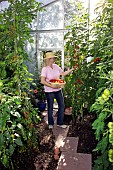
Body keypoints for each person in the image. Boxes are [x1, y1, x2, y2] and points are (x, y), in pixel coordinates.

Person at [40, 51, 76, 129]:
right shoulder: (45, 69)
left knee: (62, 105)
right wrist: (51, 86)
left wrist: (72, 69)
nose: (53, 59)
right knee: (50, 107)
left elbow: (63, 74)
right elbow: (42, 81)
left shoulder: (56, 66)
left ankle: (60, 122)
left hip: (58, 89)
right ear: (48, 59)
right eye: (52, 58)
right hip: (49, 91)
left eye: (54, 58)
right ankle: (50, 123)